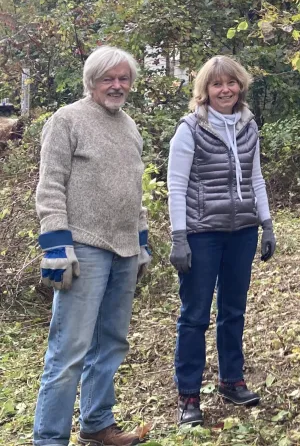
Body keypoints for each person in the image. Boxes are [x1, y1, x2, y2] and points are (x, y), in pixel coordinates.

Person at [33, 46, 150, 446]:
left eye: (123, 78)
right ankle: (49, 439)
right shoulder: (66, 120)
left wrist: (142, 241)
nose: (117, 85)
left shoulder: (130, 126)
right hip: (82, 249)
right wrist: (55, 246)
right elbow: (49, 187)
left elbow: (135, 190)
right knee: (69, 352)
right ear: (91, 82)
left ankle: (98, 424)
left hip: (124, 250)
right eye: (108, 78)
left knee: (112, 343)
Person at [167, 55, 276, 426]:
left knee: (233, 311)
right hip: (202, 234)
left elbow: (256, 176)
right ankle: (188, 397)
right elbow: (177, 186)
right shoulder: (190, 128)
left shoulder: (248, 126)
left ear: (240, 85)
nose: (225, 89)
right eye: (217, 84)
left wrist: (267, 224)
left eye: (231, 83)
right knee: (195, 316)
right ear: (205, 90)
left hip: (242, 232)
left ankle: (232, 380)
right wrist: (178, 237)